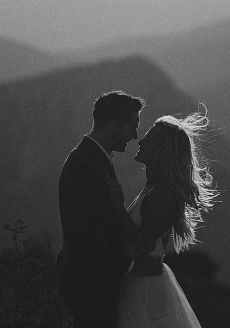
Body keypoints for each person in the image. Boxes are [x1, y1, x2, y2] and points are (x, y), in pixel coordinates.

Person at [116, 110, 218, 328]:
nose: (141, 141)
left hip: (144, 292)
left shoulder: (163, 194)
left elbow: (144, 245)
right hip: (139, 284)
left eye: (149, 139)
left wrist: (116, 208)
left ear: (163, 150)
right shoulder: (153, 189)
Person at [57, 90, 146, 328]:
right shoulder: (88, 165)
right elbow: (91, 233)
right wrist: (131, 266)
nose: (135, 136)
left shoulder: (90, 158)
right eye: (132, 126)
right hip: (93, 287)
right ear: (113, 125)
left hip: (91, 285)